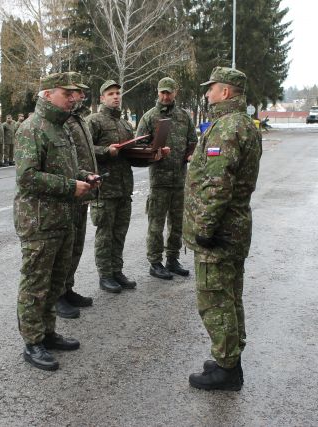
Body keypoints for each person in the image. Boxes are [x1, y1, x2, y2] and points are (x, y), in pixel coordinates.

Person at [183, 66, 262, 391]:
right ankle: (229, 358)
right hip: (234, 227)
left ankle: (227, 369)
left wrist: (204, 227)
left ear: (226, 92)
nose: (207, 93)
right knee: (229, 295)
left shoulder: (227, 127)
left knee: (215, 299)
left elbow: (217, 184)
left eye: (212, 88)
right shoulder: (243, 123)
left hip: (220, 230)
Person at [14, 72, 98, 371]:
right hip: (39, 220)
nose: (74, 99)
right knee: (36, 283)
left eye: (75, 94)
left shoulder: (61, 128)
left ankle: (47, 333)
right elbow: (27, 177)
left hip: (63, 217)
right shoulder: (32, 128)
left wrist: (84, 177)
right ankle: (32, 341)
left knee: (55, 282)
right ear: (47, 94)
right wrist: (70, 186)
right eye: (67, 93)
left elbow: (65, 169)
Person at [136, 77, 197, 280]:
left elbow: (193, 141)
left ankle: (173, 259)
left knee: (177, 223)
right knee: (156, 224)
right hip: (159, 181)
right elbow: (138, 146)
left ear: (175, 92)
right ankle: (155, 262)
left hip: (179, 179)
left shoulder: (184, 117)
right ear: (158, 92)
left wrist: (190, 154)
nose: (165, 96)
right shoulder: (149, 117)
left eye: (168, 92)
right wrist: (154, 152)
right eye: (162, 92)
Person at [86, 80, 136, 293]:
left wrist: (152, 154)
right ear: (102, 98)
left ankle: (117, 271)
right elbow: (85, 150)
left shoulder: (125, 124)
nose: (116, 97)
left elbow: (131, 153)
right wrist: (106, 151)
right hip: (105, 187)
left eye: (118, 93)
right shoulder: (93, 121)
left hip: (124, 187)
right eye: (111, 94)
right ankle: (105, 275)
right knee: (105, 235)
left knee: (120, 233)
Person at [56, 72, 98, 319]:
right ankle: (58, 294)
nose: (81, 96)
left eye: (82, 92)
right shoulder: (64, 121)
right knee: (65, 248)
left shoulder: (80, 119)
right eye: (76, 92)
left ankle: (67, 287)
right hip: (69, 191)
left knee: (77, 246)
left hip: (82, 188)